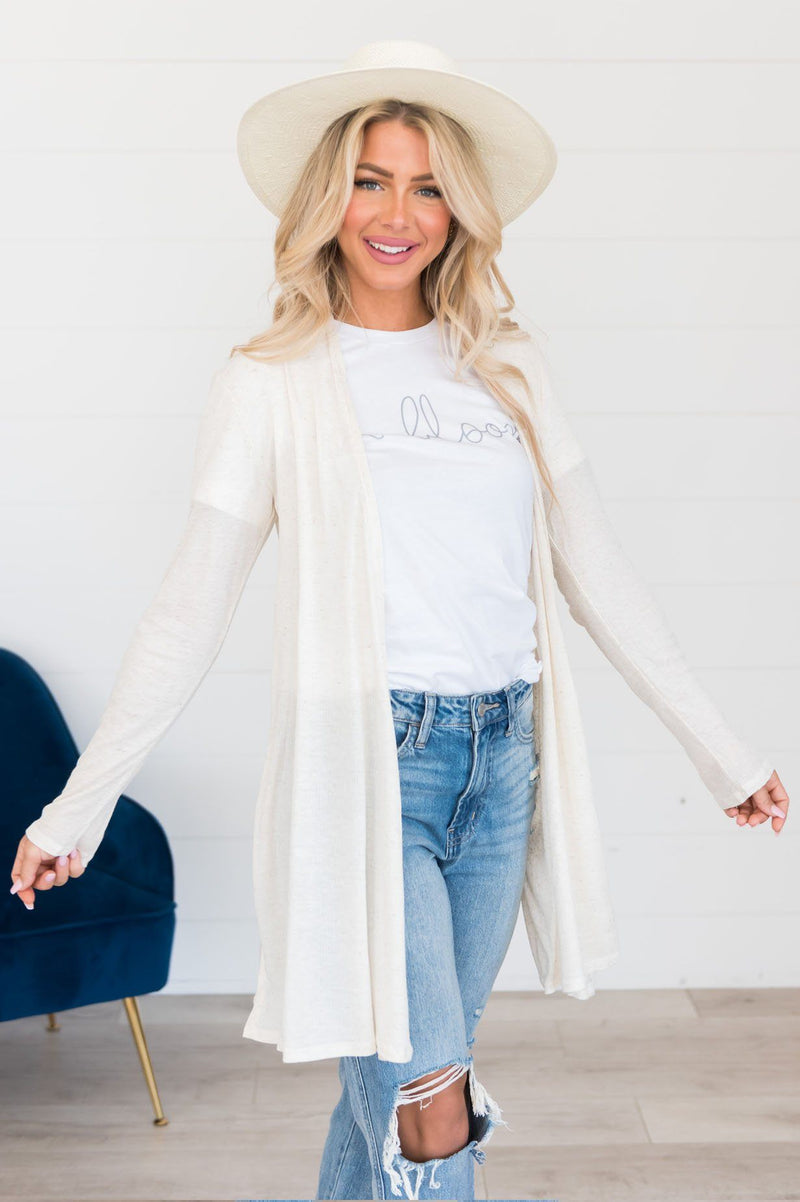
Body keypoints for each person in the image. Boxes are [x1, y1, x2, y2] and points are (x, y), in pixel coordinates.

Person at [10, 40, 789, 1202]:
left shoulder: (506, 367)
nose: (396, 214)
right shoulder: (270, 378)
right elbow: (190, 607)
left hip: (501, 762)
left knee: (394, 1084)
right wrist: (81, 803)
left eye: (426, 188)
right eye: (369, 181)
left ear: (457, 209)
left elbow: (596, 573)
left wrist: (718, 749)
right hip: (369, 766)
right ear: (327, 196)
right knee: (432, 1101)